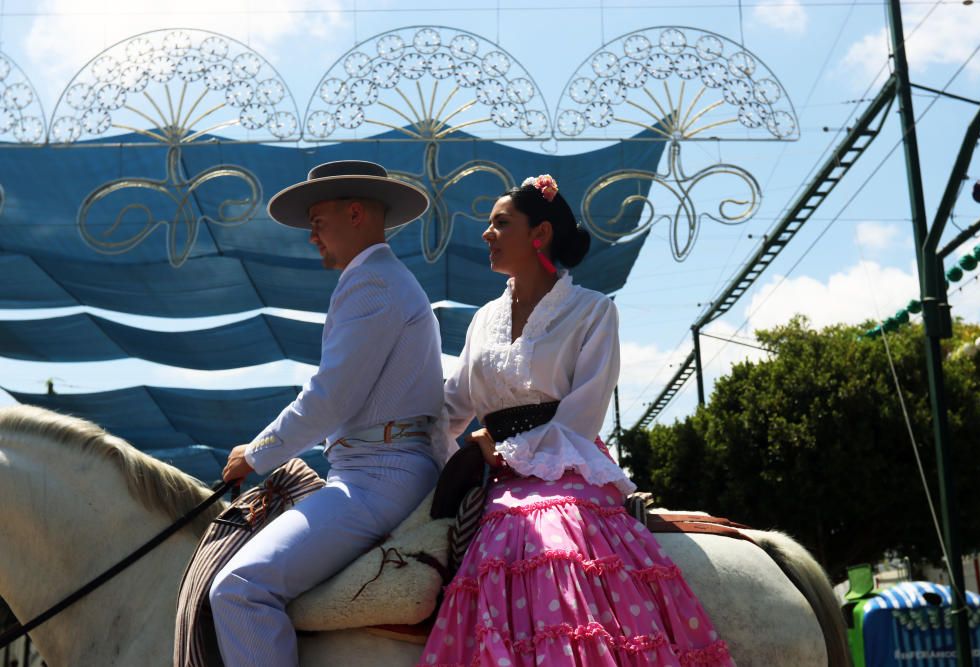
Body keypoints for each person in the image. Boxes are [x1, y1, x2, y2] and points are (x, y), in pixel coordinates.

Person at [419, 175, 733, 666]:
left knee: (549, 531)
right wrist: (432, 461)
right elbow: (449, 407)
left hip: (564, 466)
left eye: (501, 223)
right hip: (488, 469)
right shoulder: (483, 319)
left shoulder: (594, 312)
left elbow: (581, 418)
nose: (487, 234)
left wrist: (502, 454)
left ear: (539, 234)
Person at [210, 160, 447, 667]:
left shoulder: (373, 283)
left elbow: (330, 398)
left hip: (376, 477)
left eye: (317, 223)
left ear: (356, 212)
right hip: (373, 468)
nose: (312, 237)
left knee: (239, 589)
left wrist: (256, 454)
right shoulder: (379, 280)